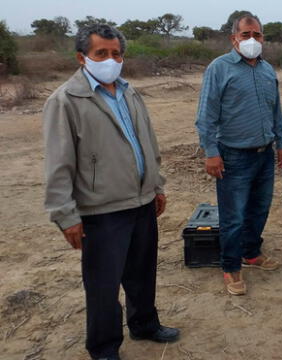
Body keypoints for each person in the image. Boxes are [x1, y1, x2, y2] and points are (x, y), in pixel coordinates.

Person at [43, 24, 179, 360]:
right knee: (103, 286)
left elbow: (147, 142)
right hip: (100, 210)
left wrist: (156, 185)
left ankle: (144, 323)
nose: (110, 60)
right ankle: (104, 347)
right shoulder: (65, 101)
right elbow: (58, 163)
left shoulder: (129, 92)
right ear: (82, 57)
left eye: (116, 53)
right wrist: (65, 214)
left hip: (142, 201)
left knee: (142, 273)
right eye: (101, 53)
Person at [195, 14, 282, 296]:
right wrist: (211, 152)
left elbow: (276, 111)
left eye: (257, 35)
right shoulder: (219, 69)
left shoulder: (267, 70)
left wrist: (281, 143)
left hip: (264, 155)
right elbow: (206, 116)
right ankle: (231, 266)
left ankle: (251, 254)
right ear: (233, 38)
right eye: (246, 34)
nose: (252, 40)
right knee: (233, 217)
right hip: (233, 156)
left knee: (259, 209)